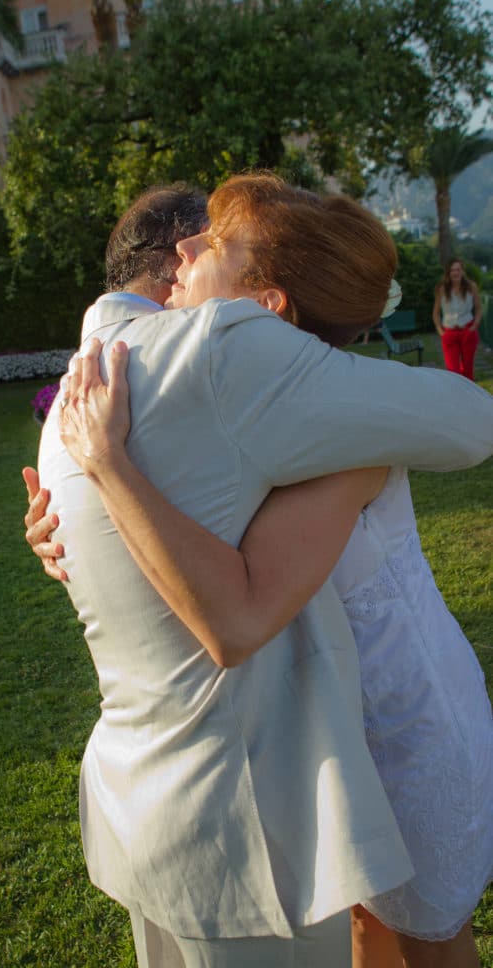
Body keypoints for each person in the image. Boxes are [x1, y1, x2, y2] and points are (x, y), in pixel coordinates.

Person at [27, 173, 493, 968]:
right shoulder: (253, 412)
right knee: (365, 936)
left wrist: (107, 466)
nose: (186, 251)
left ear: (268, 310)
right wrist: (68, 530)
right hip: (331, 733)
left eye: (213, 244)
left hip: (401, 723)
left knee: (431, 947)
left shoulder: (342, 440)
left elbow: (235, 616)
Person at [432, 259, 483, 380]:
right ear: (448, 273)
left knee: (468, 369)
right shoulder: (442, 289)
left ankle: (469, 396)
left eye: (458, 269)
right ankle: (457, 397)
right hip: (449, 333)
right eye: (452, 270)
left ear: (463, 271)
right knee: (452, 372)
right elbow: (435, 312)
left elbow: (479, 308)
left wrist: (474, 326)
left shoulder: (471, 287)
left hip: (468, 331)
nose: (455, 273)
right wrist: (440, 331)